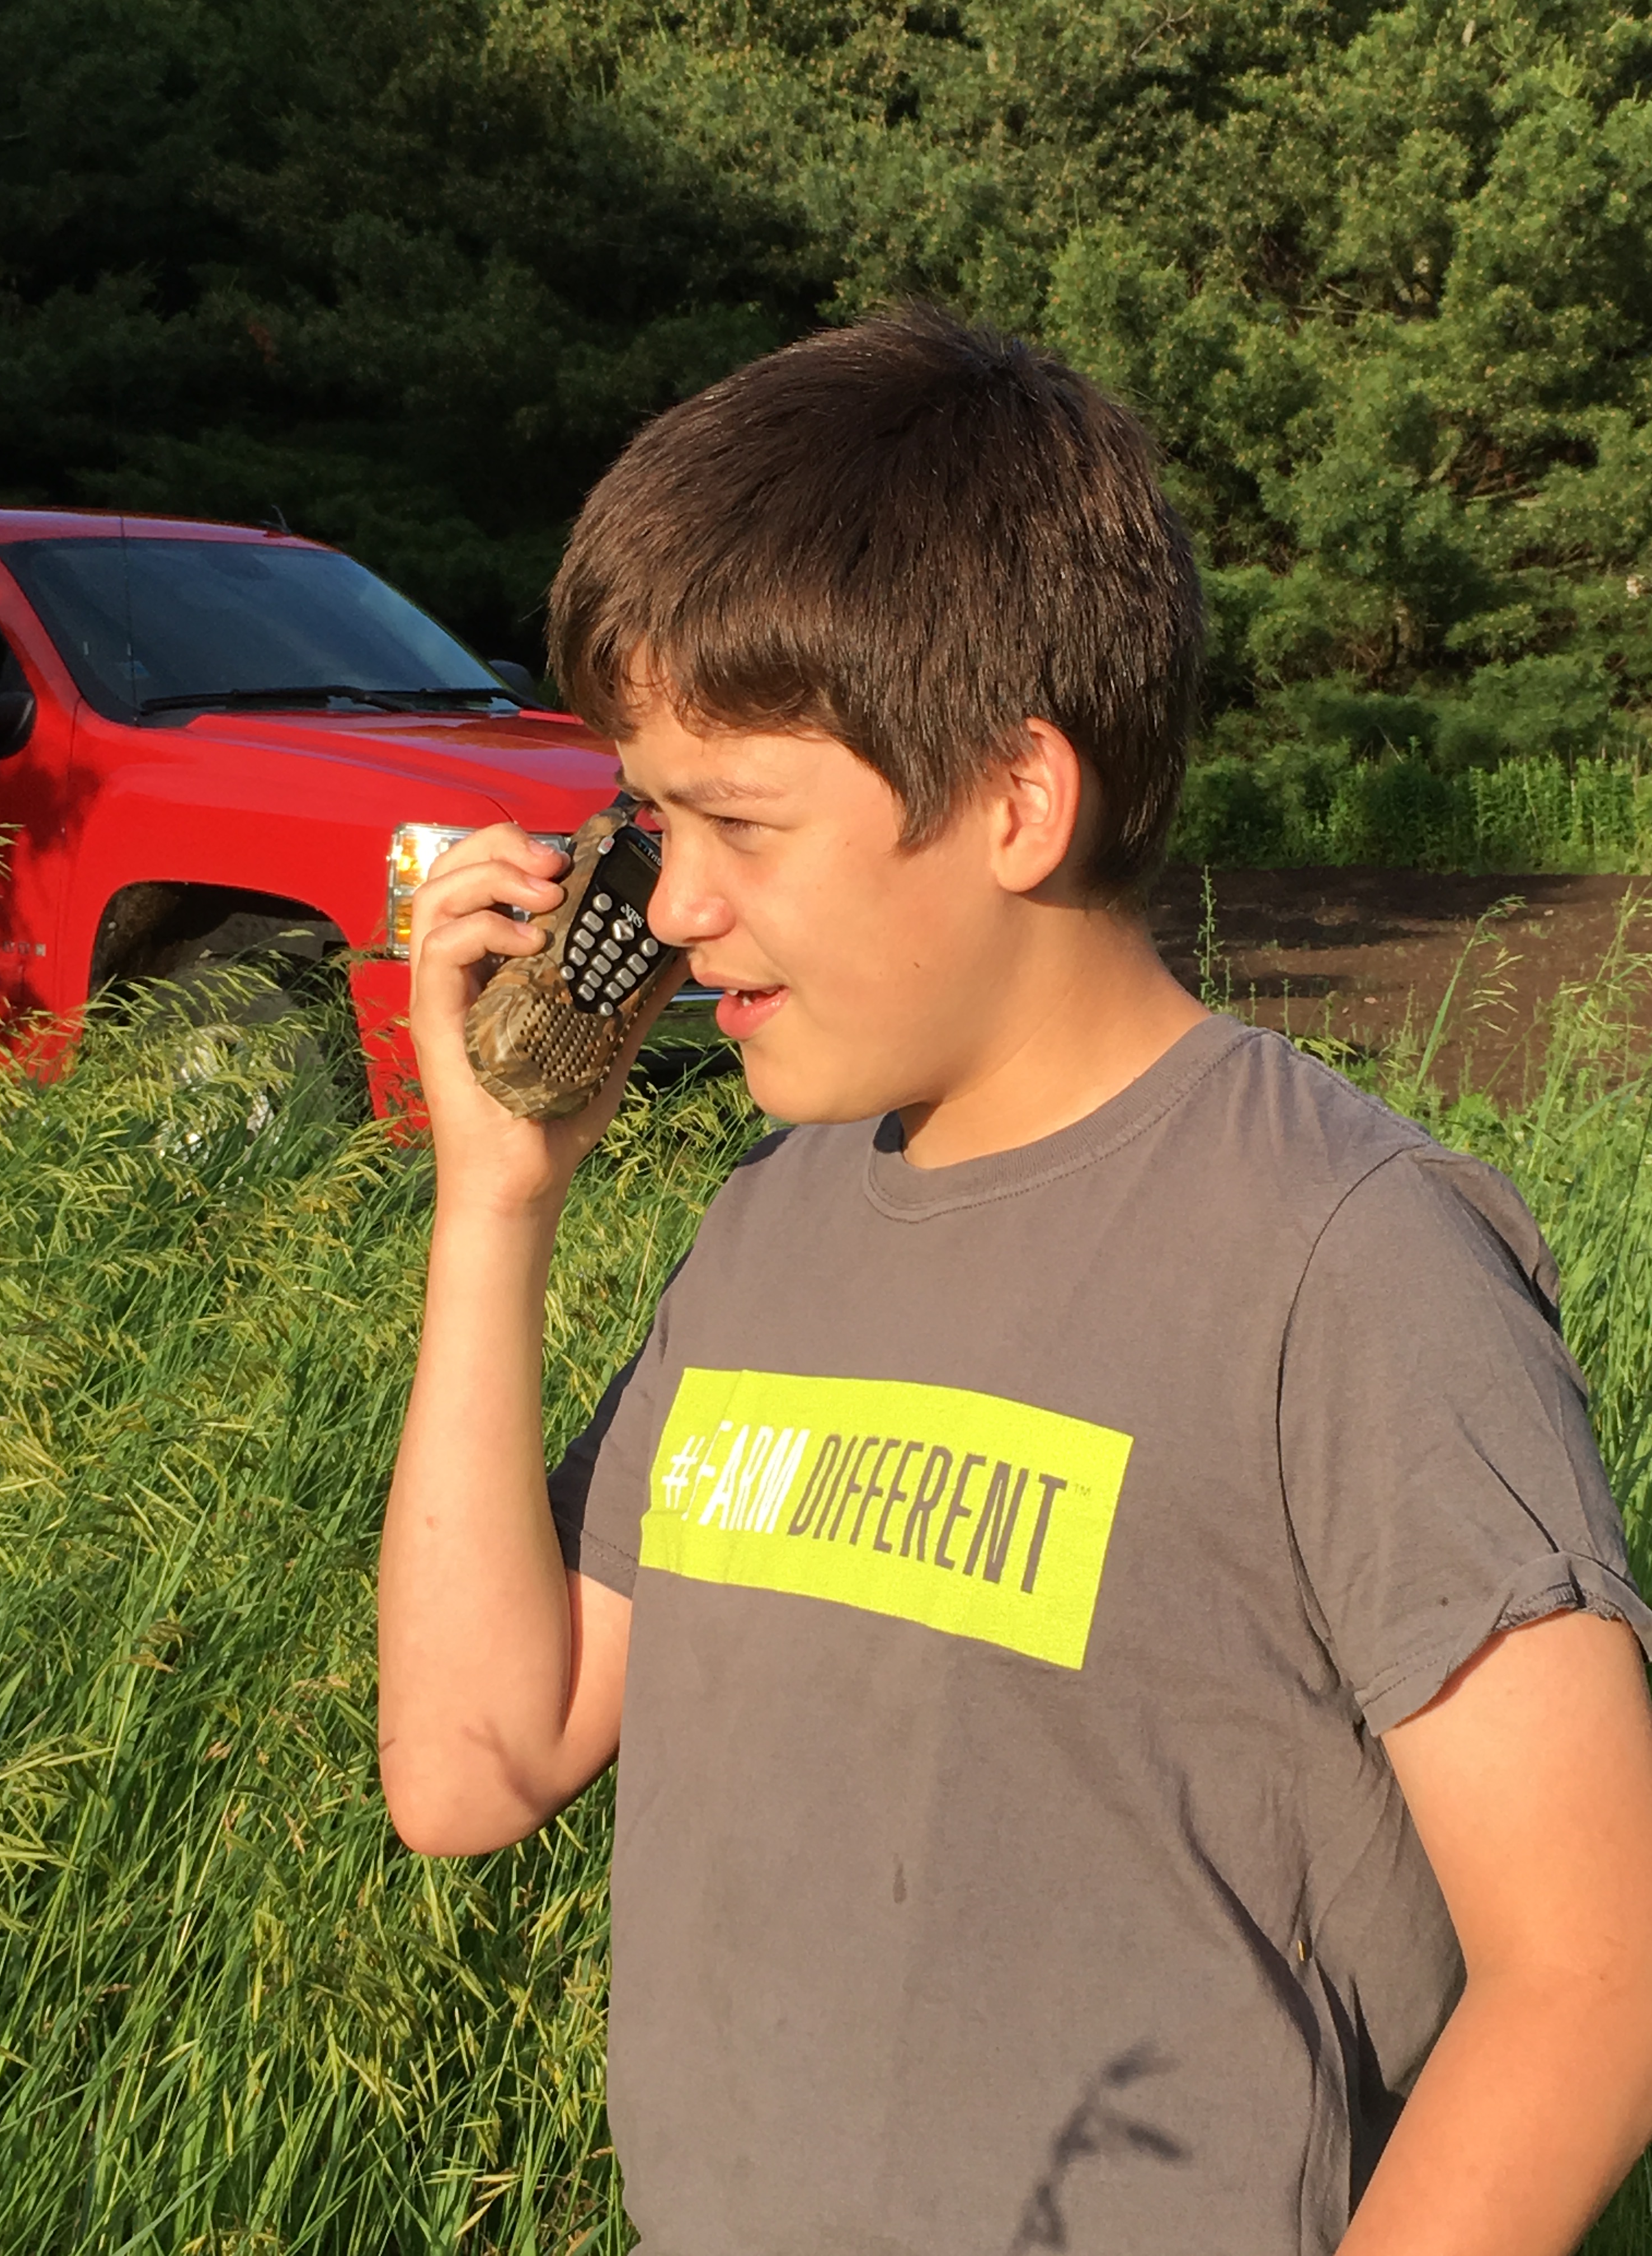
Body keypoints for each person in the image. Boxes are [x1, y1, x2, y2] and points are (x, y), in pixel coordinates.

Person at [377, 305, 1652, 2256]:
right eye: (650, 818)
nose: (676, 901)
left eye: (737, 820)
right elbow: (477, 1765)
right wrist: (497, 1200)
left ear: (1013, 801)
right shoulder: (772, 1229)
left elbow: (1602, 1976)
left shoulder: (1346, 1262)